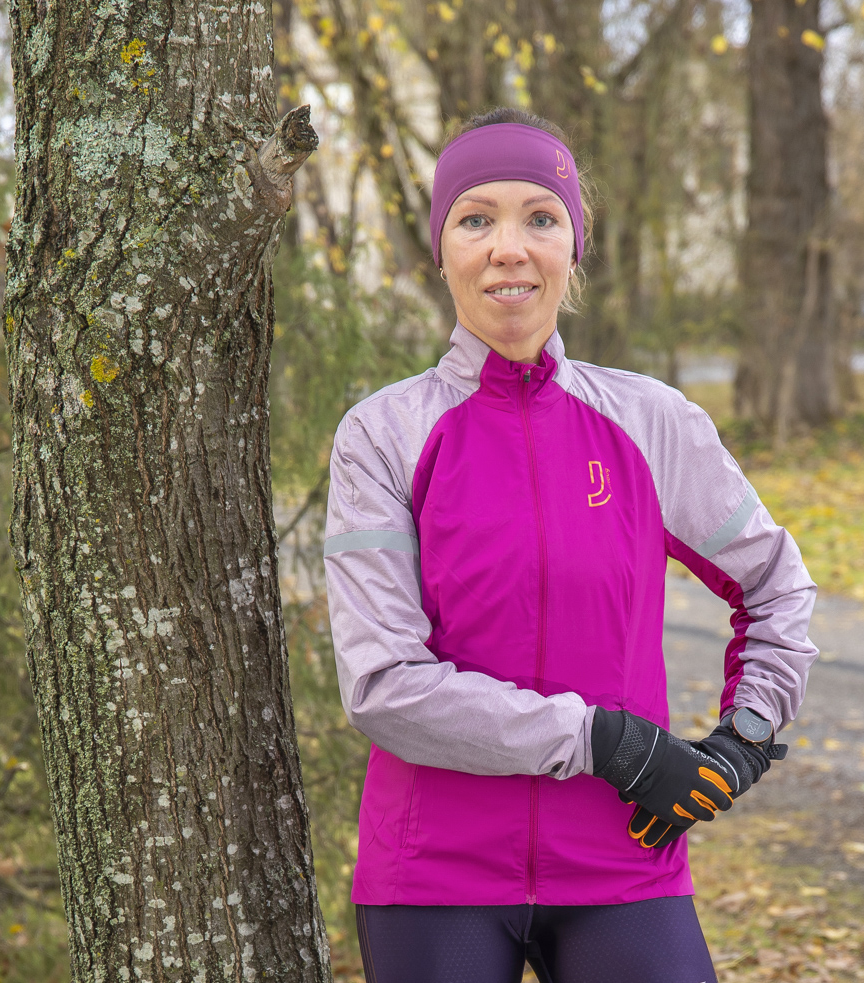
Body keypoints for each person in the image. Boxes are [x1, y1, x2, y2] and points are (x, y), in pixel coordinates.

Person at [323, 107, 818, 983]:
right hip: (431, 872)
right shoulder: (384, 435)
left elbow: (778, 586)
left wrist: (745, 739)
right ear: (442, 250)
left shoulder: (651, 422)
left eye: (539, 218)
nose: (508, 247)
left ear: (573, 248)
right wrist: (604, 740)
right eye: (476, 219)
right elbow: (382, 687)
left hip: (625, 862)